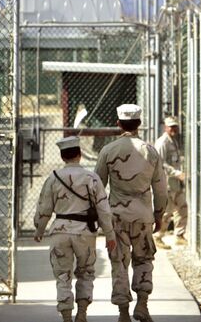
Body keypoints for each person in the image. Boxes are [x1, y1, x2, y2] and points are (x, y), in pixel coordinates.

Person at [94, 104, 167, 322]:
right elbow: (161, 188)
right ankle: (142, 305)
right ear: (139, 124)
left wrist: (100, 218)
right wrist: (159, 214)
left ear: (118, 123)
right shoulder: (150, 150)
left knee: (119, 262)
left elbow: (98, 187)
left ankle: (123, 312)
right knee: (144, 260)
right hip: (143, 216)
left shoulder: (108, 150)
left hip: (116, 217)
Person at [34, 136, 117, 322]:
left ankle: (66, 316)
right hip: (84, 233)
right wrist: (110, 235)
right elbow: (104, 210)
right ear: (79, 155)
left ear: (63, 156)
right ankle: (82, 313)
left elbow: (44, 208)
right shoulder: (92, 178)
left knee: (63, 276)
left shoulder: (53, 177)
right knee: (86, 272)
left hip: (60, 232)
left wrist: (39, 230)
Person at [153, 116, 188, 248]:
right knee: (167, 212)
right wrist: (176, 173)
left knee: (182, 207)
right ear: (165, 128)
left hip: (175, 183)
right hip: (166, 182)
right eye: (171, 126)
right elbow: (160, 163)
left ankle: (179, 235)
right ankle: (157, 237)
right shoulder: (163, 142)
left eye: (175, 126)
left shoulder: (173, 141)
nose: (173, 129)